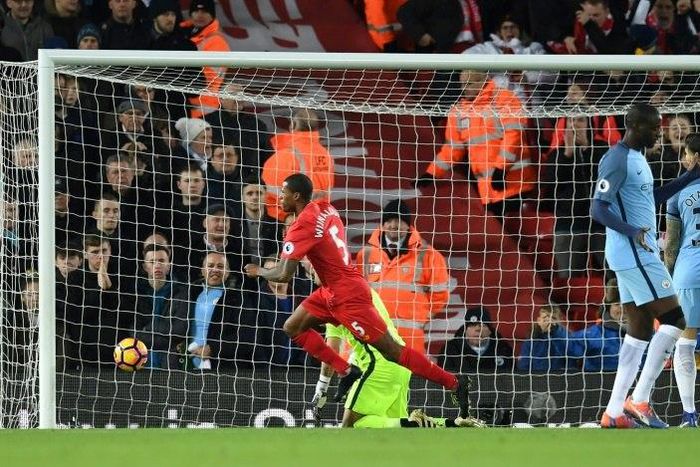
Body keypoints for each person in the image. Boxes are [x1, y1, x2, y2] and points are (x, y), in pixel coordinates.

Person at [243, 173, 470, 415]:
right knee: (293, 326)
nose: (278, 198)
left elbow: (283, 275)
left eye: (283, 193)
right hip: (333, 288)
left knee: (392, 351)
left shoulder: (301, 227)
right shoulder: (325, 207)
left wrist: (258, 271)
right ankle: (347, 370)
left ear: (296, 196)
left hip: (347, 296)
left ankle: (454, 383)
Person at [591, 103, 700, 429]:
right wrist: (632, 231)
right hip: (633, 250)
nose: (658, 133)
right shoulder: (617, 158)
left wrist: (689, 178)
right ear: (636, 126)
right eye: (654, 127)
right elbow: (597, 208)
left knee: (638, 330)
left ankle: (613, 412)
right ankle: (639, 398)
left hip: (637, 248)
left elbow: (649, 199)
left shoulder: (639, 160)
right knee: (676, 320)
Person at [312, 288, 484, 428]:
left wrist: (322, 388)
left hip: (378, 365)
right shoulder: (364, 288)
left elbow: (330, 353)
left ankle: (416, 423)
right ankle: (451, 424)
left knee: (351, 426)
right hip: (400, 362)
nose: (308, 267)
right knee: (398, 432)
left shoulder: (332, 301)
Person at [417, 70, 535, 216]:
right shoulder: (458, 112)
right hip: (488, 191)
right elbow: (453, 148)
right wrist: (431, 173)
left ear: (484, 79)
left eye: (470, 83)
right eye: (462, 84)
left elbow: (514, 135)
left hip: (516, 184)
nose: (465, 88)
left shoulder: (504, 98)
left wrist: (501, 168)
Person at [355, 199, 449, 352]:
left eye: (399, 221)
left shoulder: (429, 256)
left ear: (408, 225)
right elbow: (356, 294)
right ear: (383, 224)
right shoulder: (365, 255)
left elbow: (440, 296)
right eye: (389, 220)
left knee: (411, 376)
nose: (394, 225)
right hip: (373, 338)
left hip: (410, 340)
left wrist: (421, 317)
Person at [664, 133, 700, 428]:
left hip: (689, 273)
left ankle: (689, 414)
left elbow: (672, 247)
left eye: (685, 154)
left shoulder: (677, 195)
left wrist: (666, 277)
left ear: (695, 159)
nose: (682, 159)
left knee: (685, 344)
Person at [261, 109, 334, 221]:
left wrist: (286, 217)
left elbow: (270, 194)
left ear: (293, 125)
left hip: (288, 222)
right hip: (320, 220)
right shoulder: (326, 155)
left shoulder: (285, 156)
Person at [567, 278, 626, 372]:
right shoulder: (593, 335)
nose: (623, 309)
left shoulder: (649, 335)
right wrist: (555, 331)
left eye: (628, 304)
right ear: (607, 308)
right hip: (599, 384)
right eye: (617, 304)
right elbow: (568, 347)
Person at [439, 307, 514, 373]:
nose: (477, 329)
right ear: (465, 330)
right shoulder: (450, 350)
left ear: (489, 330)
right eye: (472, 325)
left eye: (482, 325)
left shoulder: (503, 350)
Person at [518, 305, 569, 372]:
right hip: (538, 379)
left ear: (559, 321)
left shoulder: (567, 337)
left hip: (561, 378)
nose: (549, 322)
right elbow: (524, 366)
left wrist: (555, 330)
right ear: (539, 320)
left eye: (553, 318)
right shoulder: (531, 341)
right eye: (545, 318)